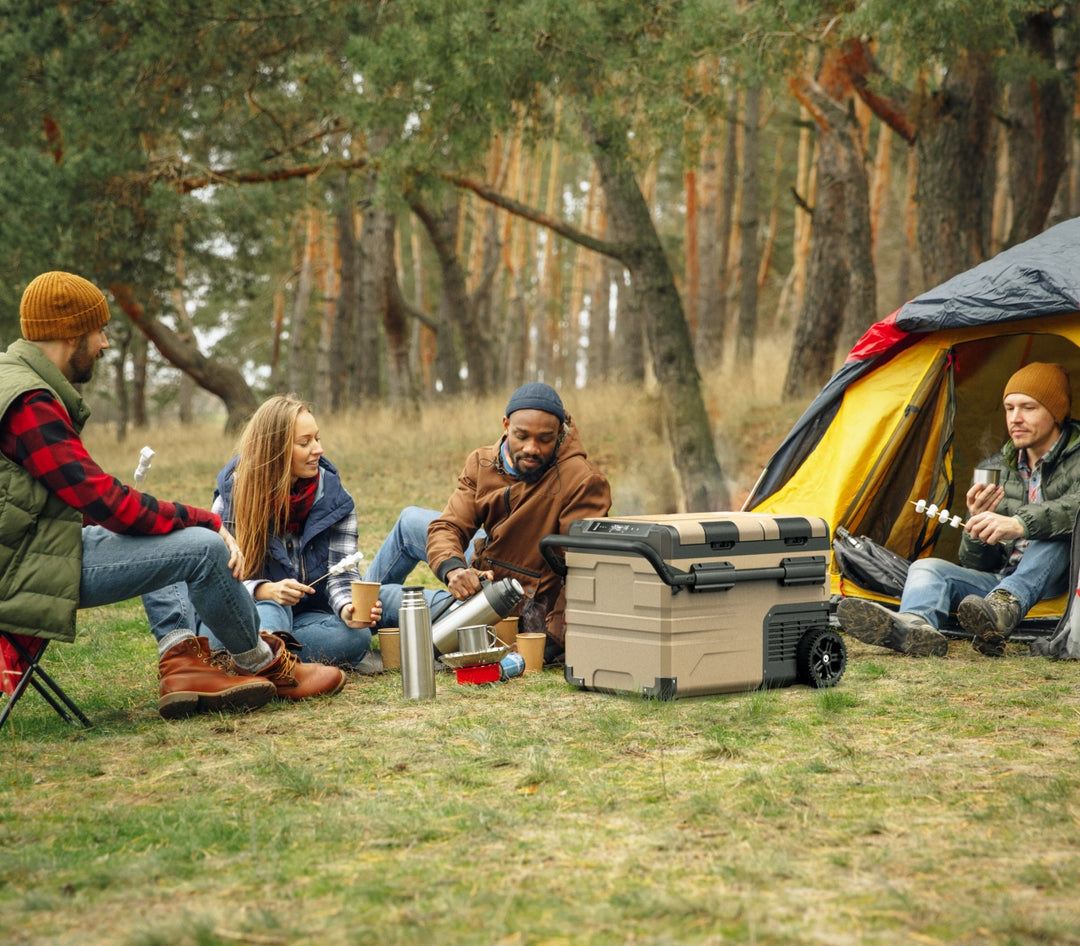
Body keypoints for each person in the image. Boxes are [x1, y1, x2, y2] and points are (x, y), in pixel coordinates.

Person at [0, 271, 346, 719]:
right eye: (99, 331)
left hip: (33, 549)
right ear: (71, 334)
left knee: (160, 531)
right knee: (202, 548)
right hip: (24, 565)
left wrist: (159, 517)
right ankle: (263, 663)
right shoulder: (29, 403)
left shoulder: (14, 382)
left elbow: (84, 501)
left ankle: (182, 662)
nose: (105, 343)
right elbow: (102, 502)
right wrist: (205, 520)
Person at [838, 362, 1080, 658]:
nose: (1015, 418)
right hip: (997, 588)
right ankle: (915, 626)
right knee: (926, 568)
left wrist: (1020, 523)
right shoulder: (992, 469)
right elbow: (977, 563)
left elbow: (1074, 507)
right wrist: (976, 529)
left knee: (1051, 539)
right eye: (1009, 408)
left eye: (1028, 408)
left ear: (1056, 412)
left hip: (1063, 583)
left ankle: (1003, 606)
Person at [364, 382, 612, 663]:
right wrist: (454, 570)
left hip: (514, 603)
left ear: (559, 434)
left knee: (380, 597)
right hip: (489, 565)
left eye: (545, 439)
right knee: (410, 519)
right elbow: (449, 527)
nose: (532, 448)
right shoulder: (482, 462)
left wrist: (546, 643)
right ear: (506, 426)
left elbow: (584, 571)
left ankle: (352, 615)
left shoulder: (582, 481)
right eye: (521, 436)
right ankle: (353, 612)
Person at [199, 395, 382, 670]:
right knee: (273, 607)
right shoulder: (233, 498)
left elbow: (342, 574)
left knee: (357, 637)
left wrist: (348, 608)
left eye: (317, 439)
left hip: (300, 619)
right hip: (235, 621)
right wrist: (266, 590)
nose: (318, 449)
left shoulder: (336, 499)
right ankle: (271, 661)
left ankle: (263, 662)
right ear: (275, 450)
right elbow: (218, 584)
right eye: (305, 443)